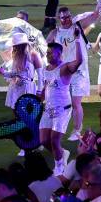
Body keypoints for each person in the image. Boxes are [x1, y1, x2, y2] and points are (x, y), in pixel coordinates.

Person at [47, 7, 97, 141]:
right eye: (63, 17)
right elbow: (46, 48)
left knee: (76, 103)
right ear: (59, 18)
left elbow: (95, 15)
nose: (66, 20)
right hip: (63, 72)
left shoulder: (78, 26)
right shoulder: (54, 33)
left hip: (79, 71)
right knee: (60, 101)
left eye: (68, 16)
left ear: (71, 16)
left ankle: (76, 130)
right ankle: (56, 127)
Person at [40, 41, 82, 175]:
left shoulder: (65, 68)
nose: (48, 55)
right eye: (47, 53)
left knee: (54, 139)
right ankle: (62, 153)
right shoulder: (46, 69)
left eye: (50, 53)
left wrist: (78, 41)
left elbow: (79, 61)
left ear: (59, 53)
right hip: (48, 108)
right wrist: (40, 97)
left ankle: (59, 167)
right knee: (44, 140)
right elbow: (46, 86)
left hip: (62, 109)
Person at [0, 33, 44, 150]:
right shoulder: (16, 55)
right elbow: (14, 73)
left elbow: (40, 75)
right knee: (18, 116)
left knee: (29, 116)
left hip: (28, 88)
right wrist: (4, 73)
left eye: (17, 45)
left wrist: (39, 91)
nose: (15, 47)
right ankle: (25, 143)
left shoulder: (33, 55)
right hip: (16, 88)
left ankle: (35, 140)